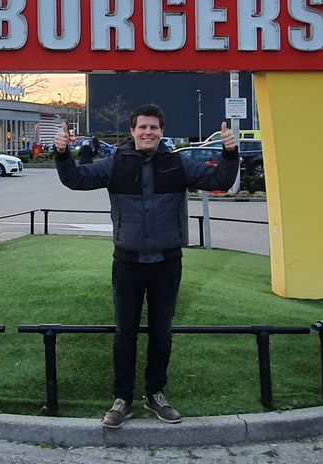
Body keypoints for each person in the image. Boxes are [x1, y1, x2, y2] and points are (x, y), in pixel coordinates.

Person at [52, 104, 239, 428]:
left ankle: (156, 394)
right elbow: (75, 179)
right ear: (133, 131)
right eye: (143, 128)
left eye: (154, 127)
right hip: (127, 263)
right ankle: (122, 399)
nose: (148, 132)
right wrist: (63, 152)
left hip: (167, 263)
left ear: (161, 132)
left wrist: (229, 152)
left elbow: (220, 178)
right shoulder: (115, 165)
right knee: (125, 333)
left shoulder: (177, 163)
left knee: (161, 333)